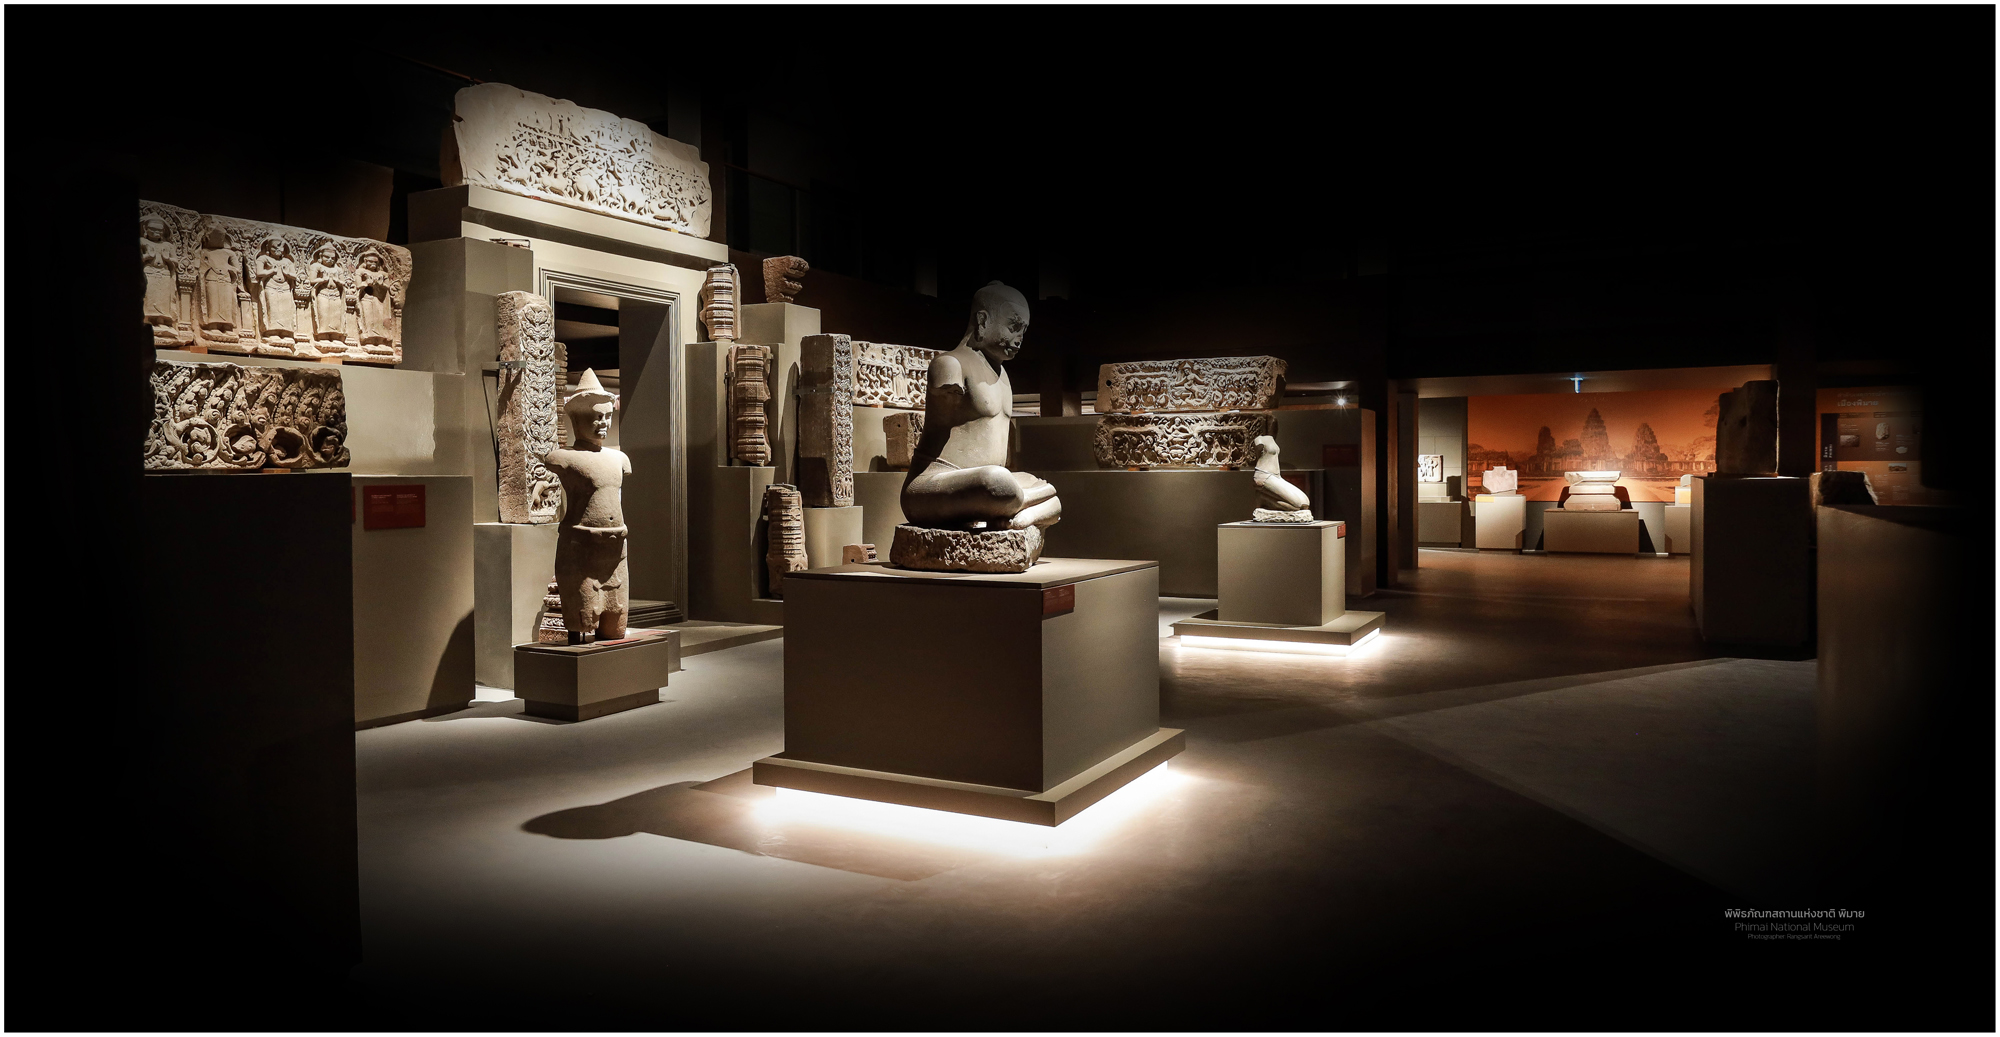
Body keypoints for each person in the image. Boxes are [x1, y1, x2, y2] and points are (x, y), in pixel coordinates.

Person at [899, 281, 1062, 531]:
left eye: (1023, 331)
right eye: (1013, 327)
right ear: (983, 321)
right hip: (930, 487)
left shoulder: (1003, 376)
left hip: (981, 490)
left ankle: (1019, 516)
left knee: (1036, 487)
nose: (1019, 339)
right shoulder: (950, 365)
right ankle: (1024, 506)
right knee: (997, 482)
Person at [544, 370, 631, 643]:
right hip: (582, 550)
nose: (603, 423)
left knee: (615, 629)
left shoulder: (619, 458)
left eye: (607, 416)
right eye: (596, 417)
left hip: (616, 551)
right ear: (577, 420)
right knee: (582, 621)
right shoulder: (563, 459)